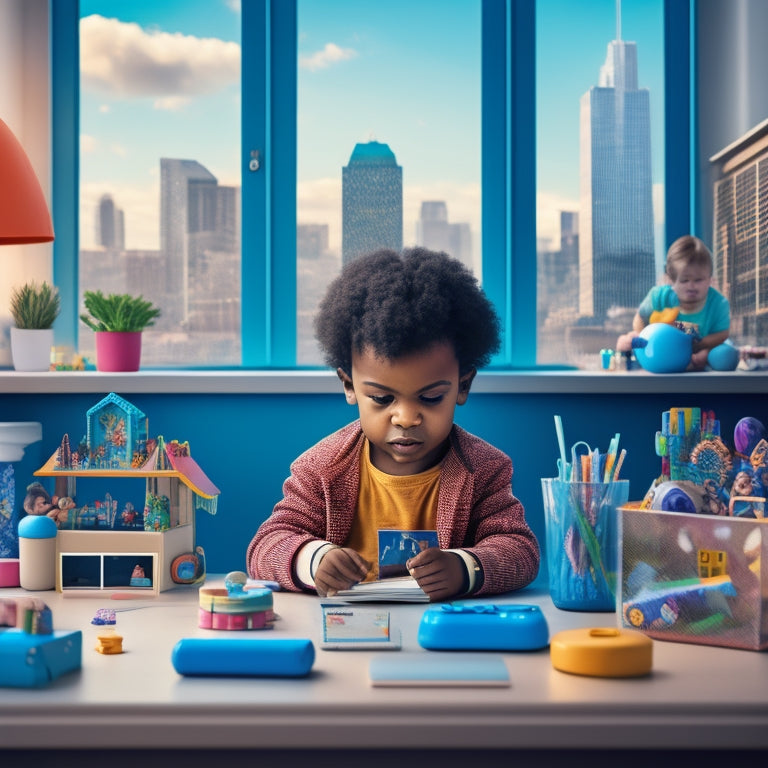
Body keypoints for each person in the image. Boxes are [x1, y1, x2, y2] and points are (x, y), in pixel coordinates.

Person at [247, 247, 540, 601]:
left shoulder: (484, 470)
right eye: (383, 399)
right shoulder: (321, 469)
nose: (405, 418)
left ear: (462, 386)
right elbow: (267, 545)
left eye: (430, 398)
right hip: (343, 632)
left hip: (440, 634)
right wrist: (314, 559)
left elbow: (520, 550)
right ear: (349, 386)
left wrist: (465, 568)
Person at [616, 235, 730, 370]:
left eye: (698, 280)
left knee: (722, 354)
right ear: (671, 280)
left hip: (698, 347)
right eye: (684, 281)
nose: (691, 286)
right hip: (659, 346)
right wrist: (641, 337)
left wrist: (700, 346)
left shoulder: (718, 303)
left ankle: (696, 360)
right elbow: (640, 319)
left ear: (710, 279)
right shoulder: (660, 296)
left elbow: (722, 334)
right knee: (628, 340)